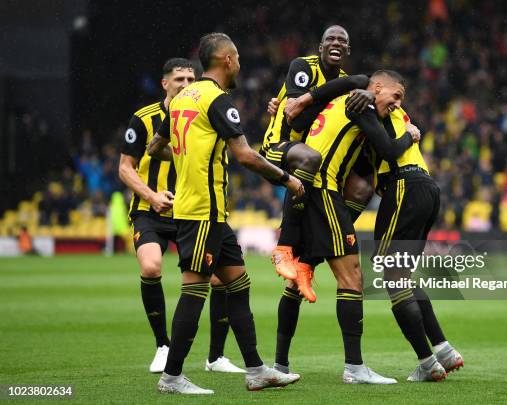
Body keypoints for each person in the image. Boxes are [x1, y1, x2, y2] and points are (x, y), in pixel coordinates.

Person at [148, 33, 303, 394]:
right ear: (229, 60)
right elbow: (246, 155)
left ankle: (256, 370)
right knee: (195, 290)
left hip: (209, 212)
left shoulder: (180, 99)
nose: (239, 66)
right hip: (203, 208)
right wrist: (288, 180)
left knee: (238, 283)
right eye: (237, 59)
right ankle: (171, 377)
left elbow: (156, 147)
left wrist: (189, 156)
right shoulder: (217, 100)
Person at [118, 58, 243, 375]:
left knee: (221, 277)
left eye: (191, 79)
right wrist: (151, 195)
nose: (186, 85)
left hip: (192, 209)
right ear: (165, 84)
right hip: (151, 209)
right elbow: (125, 167)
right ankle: (163, 345)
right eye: (179, 80)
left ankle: (216, 357)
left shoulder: (202, 112)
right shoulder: (144, 119)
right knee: (150, 265)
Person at [296, 70, 417, 384]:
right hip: (324, 189)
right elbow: (389, 150)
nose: (397, 104)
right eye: (396, 96)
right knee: (352, 277)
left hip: (316, 189)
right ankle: (354, 368)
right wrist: (411, 135)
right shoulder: (359, 103)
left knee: (305, 269)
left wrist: (298, 103)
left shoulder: (345, 97)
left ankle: (280, 364)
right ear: (376, 88)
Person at [262, 25, 375, 289]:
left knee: (361, 188)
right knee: (310, 158)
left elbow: (371, 86)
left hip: (312, 164)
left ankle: (311, 249)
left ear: (348, 50)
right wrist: (344, 87)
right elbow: (297, 118)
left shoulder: (345, 80)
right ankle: (283, 247)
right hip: (279, 146)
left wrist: (364, 89)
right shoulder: (303, 66)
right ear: (320, 46)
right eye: (330, 39)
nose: (336, 43)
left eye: (342, 40)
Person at [373, 107, 464, 382]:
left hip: (404, 186)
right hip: (426, 187)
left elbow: (388, 152)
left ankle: (427, 362)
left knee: (393, 277)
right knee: (402, 276)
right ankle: (443, 349)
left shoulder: (369, 109)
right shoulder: (398, 113)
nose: (397, 100)